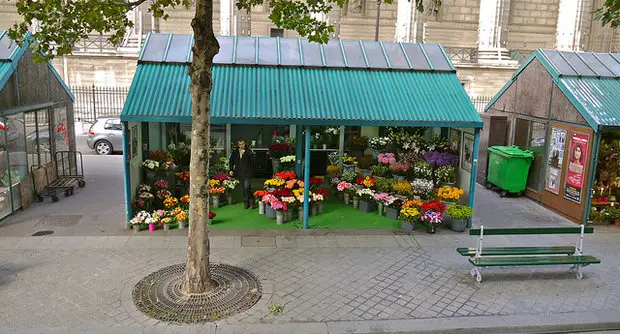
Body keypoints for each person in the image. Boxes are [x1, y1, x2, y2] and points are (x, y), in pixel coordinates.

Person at [229, 138, 255, 209]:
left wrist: (246, 152)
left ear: (245, 143)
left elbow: (253, 160)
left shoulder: (249, 151)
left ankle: (248, 202)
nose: (241, 146)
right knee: (243, 189)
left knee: (247, 187)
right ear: (238, 145)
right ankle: (251, 201)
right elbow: (231, 161)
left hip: (247, 173)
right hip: (239, 173)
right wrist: (231, 169)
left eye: (242, 144)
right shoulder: (235, 152)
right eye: (240, 144)